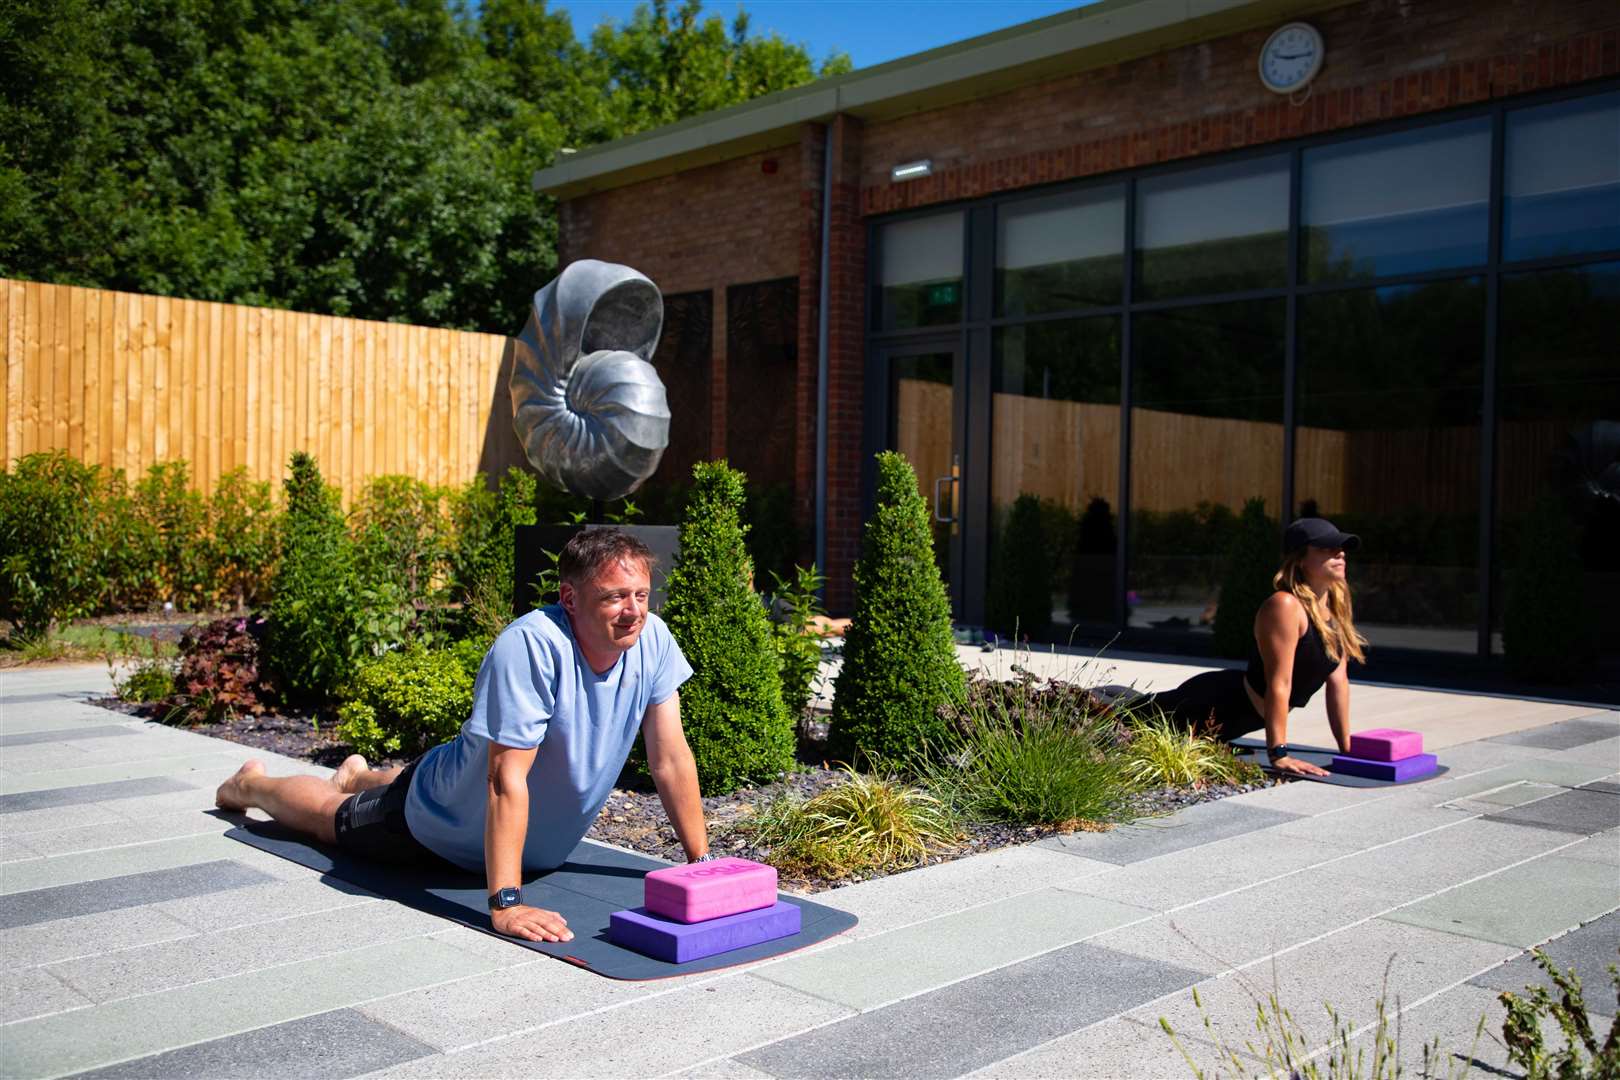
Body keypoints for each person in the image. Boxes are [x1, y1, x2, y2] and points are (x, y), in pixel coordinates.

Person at [215, 528, 711, 943]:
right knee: (329, 818)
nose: (633, 611)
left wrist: (700, 863)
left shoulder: (654, 641)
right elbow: (503, 780)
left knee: (403, 778)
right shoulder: (531, 646)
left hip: (522, 832)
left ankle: (359, 774)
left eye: (641, 595)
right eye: (614, 598)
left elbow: (669, 758)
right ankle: (252, 785)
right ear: (570, 599)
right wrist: (506, 904)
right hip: (439, 829)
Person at [1149, 517, 1369, 778]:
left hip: (1237, 719)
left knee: (1125, 709)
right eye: (1326, 548)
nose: (1340, 553)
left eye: (1341, 548)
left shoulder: (1334, 608)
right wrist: (1279, 754)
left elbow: (1338, 683)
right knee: (1122, 715)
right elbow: (1279, 683)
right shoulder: (1285, 606)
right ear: (1299, 559)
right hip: (1212, 704)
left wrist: (1347, 750)